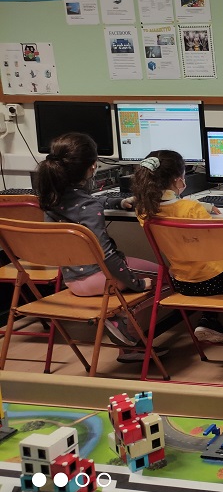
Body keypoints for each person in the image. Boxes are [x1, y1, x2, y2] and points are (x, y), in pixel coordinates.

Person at [34, 132, 158, 361]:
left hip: (72, 280)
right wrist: (138, 284)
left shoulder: (51, 198)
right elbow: (107, 256)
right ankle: (123, 328)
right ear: (93, 167)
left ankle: (124, 328)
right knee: (164, 277)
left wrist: (117, 202)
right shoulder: (89, 207)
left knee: (135, 275)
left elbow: (86, 201)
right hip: (100, 278)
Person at [130, 150, 223, 344]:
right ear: (178, 181)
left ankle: (208, 321)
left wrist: (203, 205)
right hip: (213, 281)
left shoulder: (144, 211)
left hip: (181, 283)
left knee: (209, 268)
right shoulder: (191, 209)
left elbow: (171, 207)